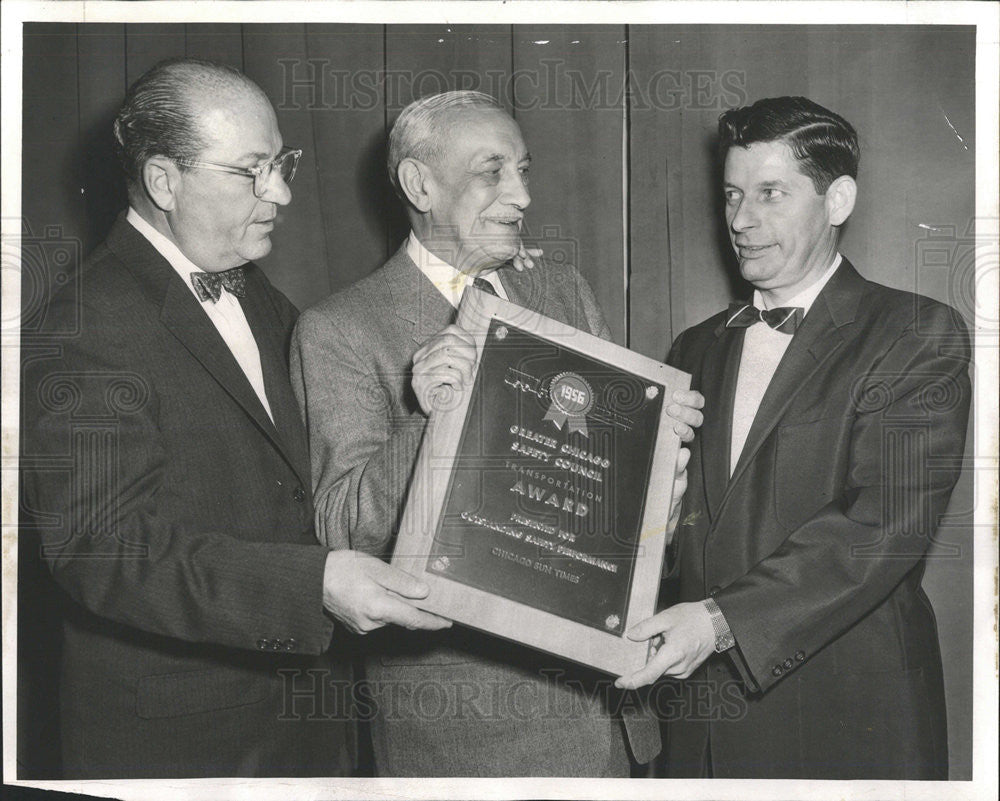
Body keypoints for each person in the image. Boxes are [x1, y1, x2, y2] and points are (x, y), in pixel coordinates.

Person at [20, 57, 449, 779]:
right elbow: (106, 550)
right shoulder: (83, 325)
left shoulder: (256, 293)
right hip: (180, 747)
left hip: (305, 731)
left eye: (280, 162)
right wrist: (311, 585)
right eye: (250, 171)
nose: (280, 191)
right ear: (163, 181)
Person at [290, 90, 702, 776]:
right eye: (492, 172)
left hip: (616, 718)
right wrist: (431, 414)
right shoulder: (340, 328)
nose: (521, 195)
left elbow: (613, 501)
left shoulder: (561, 288)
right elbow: (341, 529)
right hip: (475, 743)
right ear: (421, 184)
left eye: (525, 170)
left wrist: (662, 478)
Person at [615, 96, 972, 779]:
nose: (742, 220)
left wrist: (720, 620)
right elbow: (676, 539)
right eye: (732, 195)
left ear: (837, 200)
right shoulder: (691, 348)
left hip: (845, 717)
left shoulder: (916, 333)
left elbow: (882, 525)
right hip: (700, 728)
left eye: (771, 194)